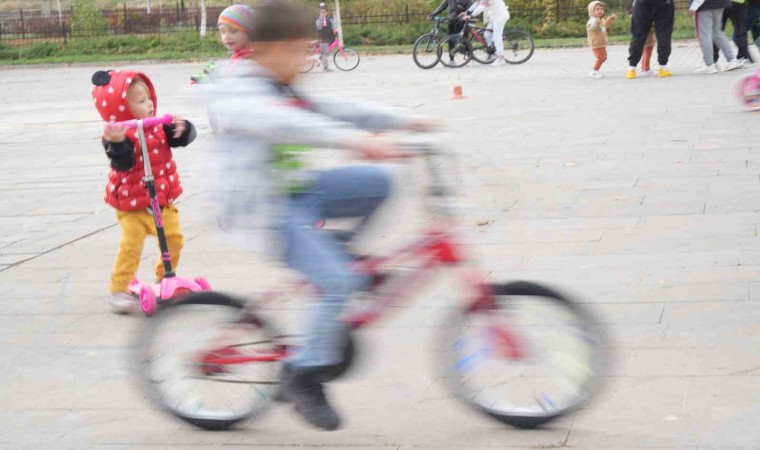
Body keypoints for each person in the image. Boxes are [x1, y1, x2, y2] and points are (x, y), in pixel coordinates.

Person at [205, 0, 437, 431]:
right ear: (269, 50)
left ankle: (336, 252)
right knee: (340, 283)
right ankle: (304, 376)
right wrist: (358, 142)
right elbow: (285, 124)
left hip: (298, 193)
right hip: (264, 212)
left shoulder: (282, 84)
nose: (306, 60)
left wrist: (407, 122)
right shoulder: (240, 91)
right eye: (298, 50)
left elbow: (333, 108)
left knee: (379, 182)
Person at [91, 70, 197, 314]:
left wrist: (183, 129)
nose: (149, 104)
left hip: (161, 201)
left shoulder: (158, 126)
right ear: (119, 108)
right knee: (131, 246)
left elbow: (179, 140)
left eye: (149, 98)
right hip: (133, 206)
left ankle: (165, 276)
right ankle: (119, 288)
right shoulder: (116, 135)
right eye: (141, 101)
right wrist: (117, 143)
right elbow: (123, 163)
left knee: (174, 240)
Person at [626, 0, 675, 79]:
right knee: (664, 35)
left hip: (642, 3)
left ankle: (632, 68)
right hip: (664, 4)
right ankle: (662, 67)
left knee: (638, 35)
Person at [689, 0, 741, 73]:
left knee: (705, 34)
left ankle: (709, 64)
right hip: (720, 4)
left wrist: (694, 6)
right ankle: (732, 59)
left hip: (704, 6)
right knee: (717, 33)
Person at [461, 0, 511, 66]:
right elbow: (477, 3)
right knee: (487, 34)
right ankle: (492, 52)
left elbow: (481, 7)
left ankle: (500, 58)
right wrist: (467, 12)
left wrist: (471, 16)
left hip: (500, 16)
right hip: (494, 17)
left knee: (497, 37)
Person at [713, 0, 753, 66]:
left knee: (717, 31)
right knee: (740, 29)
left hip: (722, 3)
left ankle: (713, 60)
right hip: (735, 3)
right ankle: (743, 57)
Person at [586, 1, 617, 78]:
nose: (600, 11)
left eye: (601, 9)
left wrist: (610, 19)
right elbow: (590, 28)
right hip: (596, 42)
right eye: (597, 9)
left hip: (601, 42)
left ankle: (595, 70)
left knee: (604, 57)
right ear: (591, 11)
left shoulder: (600, 19)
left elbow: (605, 25)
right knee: (601, 57)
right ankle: (594, 71)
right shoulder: (593, 20)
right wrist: (595, 24)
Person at [316, 2, 338, 72]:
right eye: (321, 12)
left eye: (324, 12)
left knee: (325, 53)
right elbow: (319, 27)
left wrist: (335, 30)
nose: (323, 13)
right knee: (325, 53)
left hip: (329, 38)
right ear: (320, 13)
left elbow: (333, 26)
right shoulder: (318, 20)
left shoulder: (330, 19)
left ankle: (321, 58)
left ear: (326, 12)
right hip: (323, 39)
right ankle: (325, 68)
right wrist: (321, 20)